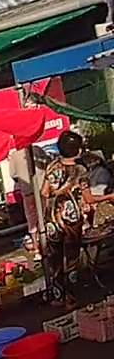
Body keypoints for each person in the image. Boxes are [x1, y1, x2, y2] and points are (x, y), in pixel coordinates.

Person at [41, 131, 114, 306]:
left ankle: (58, 297)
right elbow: (89, 199)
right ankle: (71, 299)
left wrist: (55, 199)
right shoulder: (81, 171)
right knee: (71, 260)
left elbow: (44, 192)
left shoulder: (52, 166)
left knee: (55, 259)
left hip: (52, 219)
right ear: (78, 150)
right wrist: (109, 197)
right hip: (71, 221)